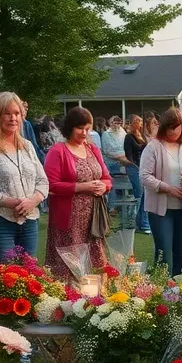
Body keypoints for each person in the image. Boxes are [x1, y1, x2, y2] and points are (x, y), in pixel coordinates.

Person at [0, 92, 49, 281]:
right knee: (6, 284)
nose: (13, 118)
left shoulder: (28, 146)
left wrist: (33, 200)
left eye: (16, 113)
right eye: (7, 113)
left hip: (29, 222)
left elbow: (43, 181)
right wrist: (12, 202)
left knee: (29, 283)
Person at [45, 107, 112, 283]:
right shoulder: (58, 151)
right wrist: (83, 187)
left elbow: (107, 178)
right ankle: (68, 300)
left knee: (96, 260)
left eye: (88, 129)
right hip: (69, 219)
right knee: (70, 263)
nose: (84, 133)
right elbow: (51, 185)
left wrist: (103, 186)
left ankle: (97, 298)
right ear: (70, 127)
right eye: (80, 128)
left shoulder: (93, 149)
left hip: (93, 218)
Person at [139, 108, 182, 275]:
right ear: (163, 127)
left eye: (177, 127)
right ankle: (162, 290)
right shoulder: (153, 147)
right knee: (164, 253)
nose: (173, 131)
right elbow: (144, 177)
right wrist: (168, 188)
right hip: (161, 209)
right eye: (170, 127)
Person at [122, 115, 152, 234]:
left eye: (140, 121)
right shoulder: (128, 137)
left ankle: (143, 223)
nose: (139, 123)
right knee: (139, 195)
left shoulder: (142, 136)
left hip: (143, 167)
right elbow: (129, 154)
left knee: (145, 196)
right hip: (133, 167)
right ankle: (133, 221)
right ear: (132, 123)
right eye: (137, 121)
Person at [101, 115, 129, 215]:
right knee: (112, 186)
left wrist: (125, 158)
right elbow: (108, 151)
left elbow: (126, 146)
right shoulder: (106, 134)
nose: (117, 124)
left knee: (125, 185)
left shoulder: (123, 133)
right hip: (111, 164)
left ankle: (122, 208)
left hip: (123, 163)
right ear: (110, 123)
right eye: (114, 122)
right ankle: (112, 208)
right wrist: (123, 158)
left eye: (118, 122)